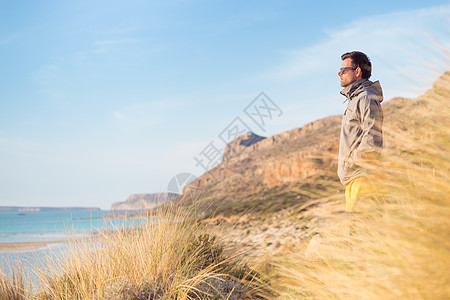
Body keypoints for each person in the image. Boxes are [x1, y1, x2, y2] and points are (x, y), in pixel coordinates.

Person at [337, 51, 383, 213]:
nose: (339, 73)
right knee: (354, 232)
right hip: (354, 179)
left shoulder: (366, 98)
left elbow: (372, 140)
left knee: (359, 232)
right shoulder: (356, 99)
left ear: (357, 72)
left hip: (362, 179)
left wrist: (351, 163)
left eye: (343, 70)